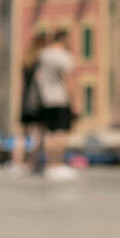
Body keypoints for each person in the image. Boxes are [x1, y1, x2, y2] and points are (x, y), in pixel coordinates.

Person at [35, 28, 77, 181]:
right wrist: (74, 101)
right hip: (60, 98)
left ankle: (49, 165)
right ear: (64, 39)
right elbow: (69, 79)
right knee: (60, 133)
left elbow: (38, 77)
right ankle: (58, 165)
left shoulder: (43, 55)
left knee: (50, 133)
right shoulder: (64, 56)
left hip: (46, 98)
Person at [11, 32, 47, 175]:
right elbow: (40, 80)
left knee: (22, 134)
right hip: (37, 101)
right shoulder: (40, 61)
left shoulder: (26, 60)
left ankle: (16, 162)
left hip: (25, 100)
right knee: (38, 133)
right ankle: (31, 162)